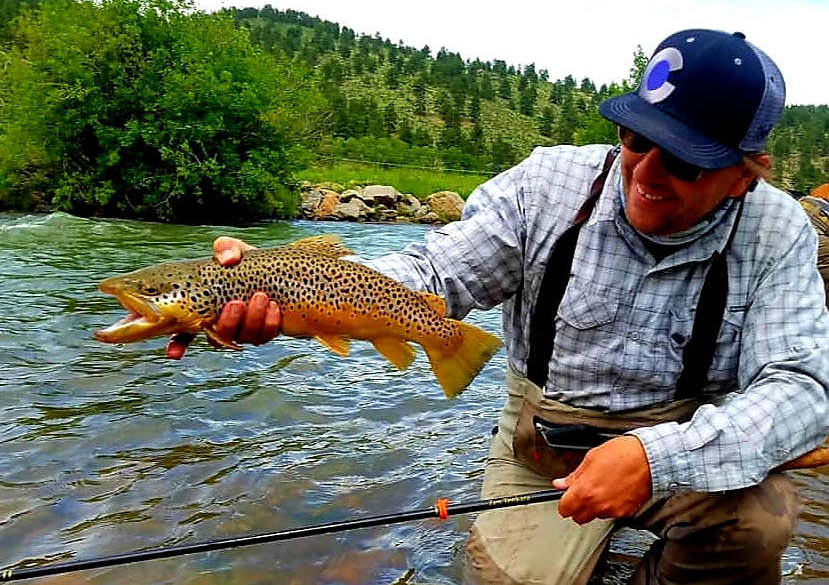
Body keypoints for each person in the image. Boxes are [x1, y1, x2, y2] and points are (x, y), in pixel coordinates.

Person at [168, 29, 828, 584]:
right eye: (635, 138)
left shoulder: (776, 234)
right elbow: (432, 271)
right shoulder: (547, 187)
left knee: (759, 522)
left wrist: (656, 459)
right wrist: (286, 282)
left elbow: (801, 389)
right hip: (543, 451)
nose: (646, 173)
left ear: (746, 173)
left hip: (685, 448)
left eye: (684, 162)